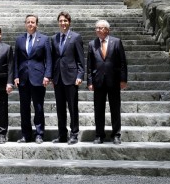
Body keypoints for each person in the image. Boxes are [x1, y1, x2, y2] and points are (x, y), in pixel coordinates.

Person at [87, 19, 128, 145]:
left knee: (115, 108)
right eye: (96, 28)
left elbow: (122, 62)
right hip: (98, 81)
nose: (97, 30)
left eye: (100, 28)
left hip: (114, 80)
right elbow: (89, 65)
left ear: (107, 30)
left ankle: (116, 135)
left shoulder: (116, 42)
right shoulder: (92, 44)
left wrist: (123, 79)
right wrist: (90, 82)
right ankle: (99, 135)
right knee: (98, 109)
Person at [14, 14, 52, 144]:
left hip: (38, 78)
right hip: (23, 78)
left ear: (37, 24)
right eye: (28, 22)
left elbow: (48, 59)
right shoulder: (19, 40)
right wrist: (16, 76)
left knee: (38, 107)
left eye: (33, 22)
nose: (30, 24)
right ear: (25, 24)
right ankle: (26, 135)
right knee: (24, 108)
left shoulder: (44, 39)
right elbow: (16, 59)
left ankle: (39, 134)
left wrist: (47, 75)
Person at [50, 11, 85, 145]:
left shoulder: (76, 37)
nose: (63, 23)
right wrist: (51, 76)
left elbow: (80, 59)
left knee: (72, 107)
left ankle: (74, 134)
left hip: (71, 77)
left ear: (69, 22)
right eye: (61, 21)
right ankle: (62, 135)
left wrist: (80, 75)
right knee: (60, 108)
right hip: (58, 78)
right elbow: (53, 58)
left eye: (65, 21)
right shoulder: (54, 38)